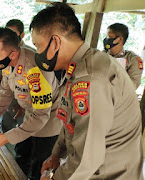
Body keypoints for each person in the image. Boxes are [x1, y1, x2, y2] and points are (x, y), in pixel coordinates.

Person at [29, 3, 143, 180]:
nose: (37, 53)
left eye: (38, 46)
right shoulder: (81, 66)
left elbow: (87, 160)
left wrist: (55, 178)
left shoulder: (91, 79)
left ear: (56, 42)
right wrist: (56, 154)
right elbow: (71, 122)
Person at [0, 28, 62, 180]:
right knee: (21, 157)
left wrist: (6, 137)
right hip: (30, 115)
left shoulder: (35, 68)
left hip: (48, 120)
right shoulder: (7, 63)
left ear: (12, 54)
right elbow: (5, 93)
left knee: (38, 166)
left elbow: (41, 116)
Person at [103, 23, 143, 89]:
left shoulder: (133, 59)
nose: (106, 40)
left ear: (119, 39)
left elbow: (133, 86)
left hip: (119, 97)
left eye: (109, 37)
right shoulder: (100, 55)